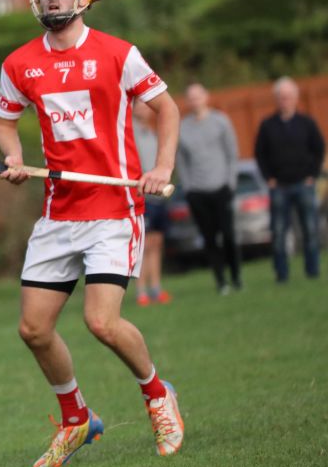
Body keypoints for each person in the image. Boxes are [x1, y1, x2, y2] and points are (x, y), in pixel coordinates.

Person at [0, 0, 184, 467]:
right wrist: (12, 157)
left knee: (102, 321)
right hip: (59, 211)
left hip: (114, 208)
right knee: (33, 330)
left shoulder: (118, 54)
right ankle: (77, 419)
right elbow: (6, 123)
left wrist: (161, 165)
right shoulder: (19, 65)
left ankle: (158, 395)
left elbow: (167, 109)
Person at [255, 76, 324, 282]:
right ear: (276, 99)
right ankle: (281, 274)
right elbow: (260, 154)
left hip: (304, 183)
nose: (284, 100)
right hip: (279, 186)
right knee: (278, 232)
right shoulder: (267, 126)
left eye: (288, 97)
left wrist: (312, 175)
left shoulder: (307, 123)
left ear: (295, 98)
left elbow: (319, 149)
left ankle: (312, 271)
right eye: (281, 97)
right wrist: (269, 178)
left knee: (310, 230)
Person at [176, 83, 241, 293]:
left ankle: (236, 277)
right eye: (191, 97)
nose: (195, 101)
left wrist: (230, 182)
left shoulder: (220, 121)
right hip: (197, 191)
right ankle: (220, 281)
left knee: (229, 235)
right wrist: (188, 189)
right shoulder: (183, 127)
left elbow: (232, 154)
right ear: (188, 101)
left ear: (206, 97)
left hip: (221, 187)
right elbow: (181, 161)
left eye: (198, 96)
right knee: (209, 237)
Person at [132, 100, 172, 305]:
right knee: (144, 245)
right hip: (140, 197)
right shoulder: (129, 133)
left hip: (157, 197)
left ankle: (156, 288)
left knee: (156, 243)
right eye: (139, 105)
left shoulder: (153, 132)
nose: (143, 109)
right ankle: (141, 291)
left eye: (146, 105)